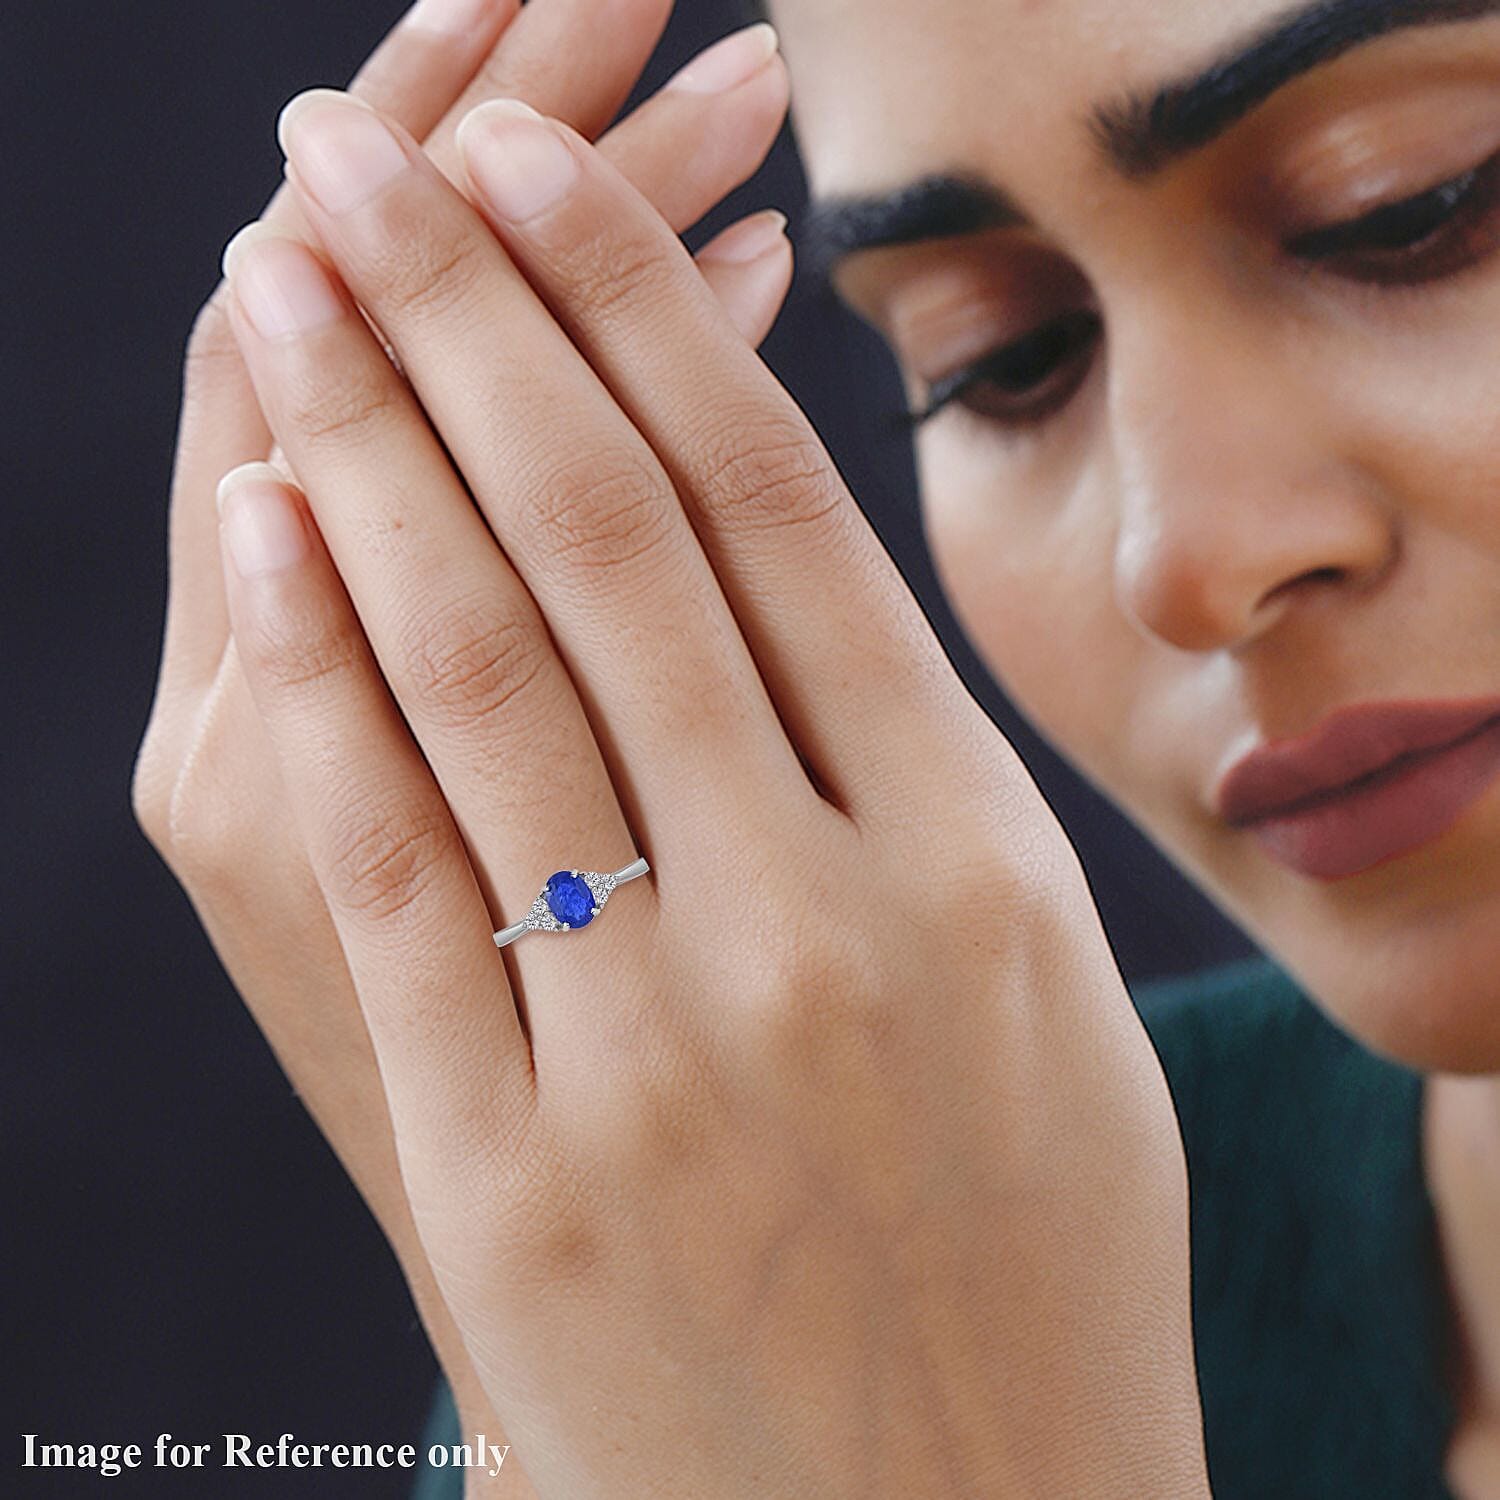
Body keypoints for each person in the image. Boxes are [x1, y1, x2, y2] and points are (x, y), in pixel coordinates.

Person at [129, 0, 1500, 1495]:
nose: (1181, 560)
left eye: (1411, 205)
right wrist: (569, 1365)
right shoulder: (828, 1234)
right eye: (1003, 356)